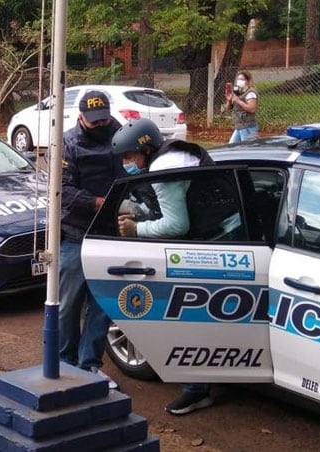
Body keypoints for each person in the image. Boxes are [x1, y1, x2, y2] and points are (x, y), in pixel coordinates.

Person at [111, 118, 215, 415]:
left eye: (129, 157)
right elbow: (173, 204)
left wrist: (135, 230)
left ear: (145, 149)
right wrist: (140, 210)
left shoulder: (162, 168)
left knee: (184, 318)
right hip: (221, 234)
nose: (126, 163)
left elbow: (177, 224)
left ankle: (196, 390)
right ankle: (201, 385)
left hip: (207, 244)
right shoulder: (175, 155)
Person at [59, 90, 125, 390]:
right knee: (67, 304)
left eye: (104, 119)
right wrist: (98, 202)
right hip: (75, 234)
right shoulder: (68, 143)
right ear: (80, 117)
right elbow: (63, 191)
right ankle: (64, 364)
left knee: (102, 304)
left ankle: (90, 365)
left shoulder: (120, 135)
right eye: (94, 121)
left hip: (111, 235)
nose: (100, 125)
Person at [226, 70, 258, 143]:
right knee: (231, 148)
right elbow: (228, 108)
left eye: (242, 79)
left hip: (248, 127)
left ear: (247, 81)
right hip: (239, 126)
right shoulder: (237, 92)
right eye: (238, 79)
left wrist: (238, 101)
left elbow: (252, 109)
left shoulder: (251, 93)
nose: (239, 81)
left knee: (248, 150)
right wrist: (229, 100)